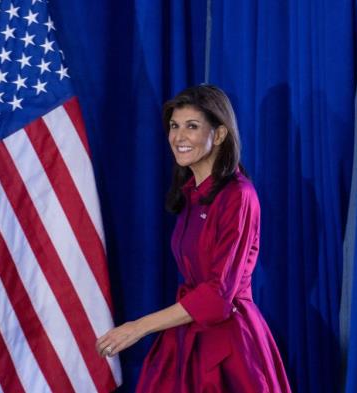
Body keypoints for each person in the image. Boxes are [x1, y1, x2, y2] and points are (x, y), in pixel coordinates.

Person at [96, 85, 291, 392]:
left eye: (192, 126)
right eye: (175, 126)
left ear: (221, 134)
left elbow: (217, 296)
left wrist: (138, 328)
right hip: (186, 335)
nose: (179, 137)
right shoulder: (191, 195)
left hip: (228, 347)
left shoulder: (238, 195)